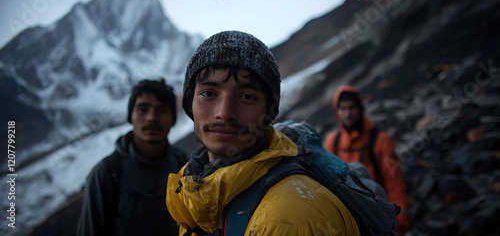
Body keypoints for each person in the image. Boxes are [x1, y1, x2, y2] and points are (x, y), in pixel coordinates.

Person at [166, 31, 360, 236]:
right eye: (208, 93)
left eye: (247, 96)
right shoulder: (191, 188)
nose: (224, 113)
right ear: (190, 103)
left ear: (269, 111)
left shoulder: (287, 218)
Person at [77, 79, 187, 236]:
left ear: (173, 119)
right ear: (131, 117)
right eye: (143, 109)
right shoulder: (107, 173)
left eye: (162, 110)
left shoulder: (183, 165)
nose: (151, 118)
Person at [323, 85, 410, 235]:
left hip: (378, 214)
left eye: (352, 108)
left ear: (361, 108)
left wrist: (400, 216)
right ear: (336, 112)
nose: (348, 114)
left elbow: (393, 182)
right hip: (349, 219)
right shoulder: (332, 142)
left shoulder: (380, 141)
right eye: (342, 109)